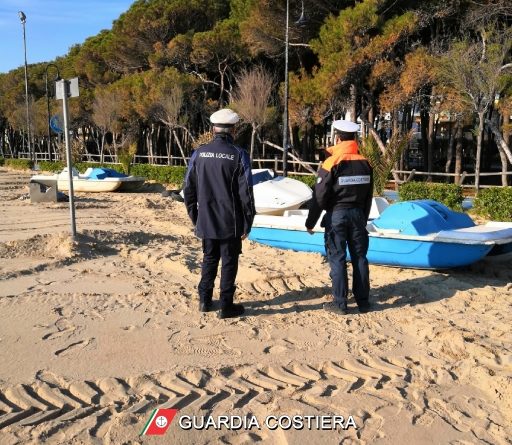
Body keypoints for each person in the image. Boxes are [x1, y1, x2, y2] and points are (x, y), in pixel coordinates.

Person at [183, 108, 256, 319]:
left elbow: (188, 189)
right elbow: (247, 194)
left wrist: (196, 218)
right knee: (229, 261)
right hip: (231, 221)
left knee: (209, 258)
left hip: (206, 219)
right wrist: (248, 221)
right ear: (233, 129)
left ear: (213, 129)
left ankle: (205, 300)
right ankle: (226, 305)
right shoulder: (239, 155)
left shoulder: (199, 154)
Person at [305, 120, 373, 315]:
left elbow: (319, 196)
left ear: (337, 138)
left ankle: (340, 303)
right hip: (358, 215)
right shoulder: (365, 162)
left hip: (337, 215)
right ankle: (363, 302)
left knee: (337, 257)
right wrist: (363, 219)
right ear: (355, 138)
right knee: (360, 257)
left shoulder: (332, 162)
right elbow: (369, 196)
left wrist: (311, 222)